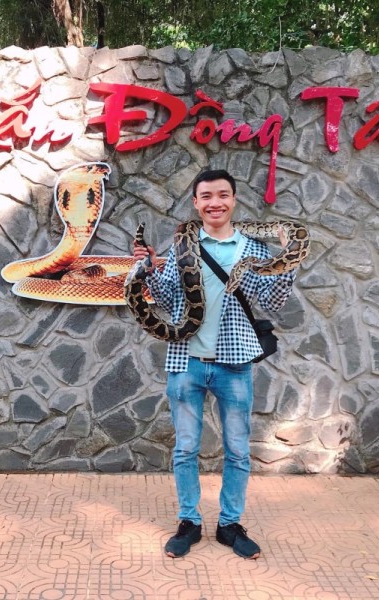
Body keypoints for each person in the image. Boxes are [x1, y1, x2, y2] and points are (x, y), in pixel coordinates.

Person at [131, 169, 297, 560]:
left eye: (222, 195)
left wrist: (288, 259)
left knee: (238, 450)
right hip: (186, 360)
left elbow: (272, 301)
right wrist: (150, 269)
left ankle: (229, 525)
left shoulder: (253, 249)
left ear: (234, 200)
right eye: (206, 196)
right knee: (186, 448)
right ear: (196, 203)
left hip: (235, 363)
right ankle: (189, 522)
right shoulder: (182, 247)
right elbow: (168, 299)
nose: (215, 202)